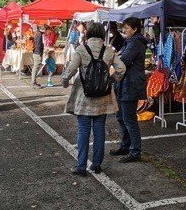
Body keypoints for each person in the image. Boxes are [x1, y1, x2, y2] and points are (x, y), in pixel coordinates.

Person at [62, 22, 126, 176]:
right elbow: (122, 68)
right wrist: (112, 80)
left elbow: (70, 69)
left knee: (83, 130)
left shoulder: (81, 50)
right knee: (99, 131)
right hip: (103, 97)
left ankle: (81, 166)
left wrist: (64, 81)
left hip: (84, 96)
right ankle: (97, 164)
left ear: (88, 34)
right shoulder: (109, 51)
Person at [110, 17, 148, 163]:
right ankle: (125, 145)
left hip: (130, 85)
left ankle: (135, 151)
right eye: (124, 27)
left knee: (129, 119)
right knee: (121, 117)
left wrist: (112, 59)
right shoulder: (129, 42)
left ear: (135, 29)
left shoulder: (135, 43)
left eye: (126, 28)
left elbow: (122, 61)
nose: (124, 30)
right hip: (124, 84)